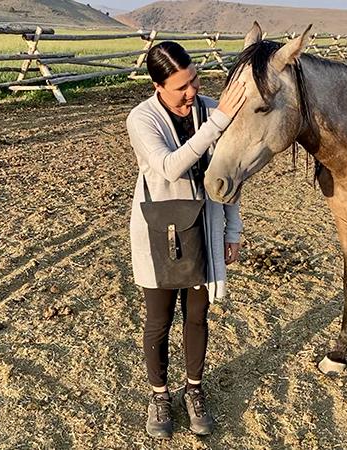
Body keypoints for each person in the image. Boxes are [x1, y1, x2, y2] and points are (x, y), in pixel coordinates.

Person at [126, 41, 246, 439]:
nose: (192, 91)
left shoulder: (211, 109)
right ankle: (159, 395)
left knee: (197, 315)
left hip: (203, 228)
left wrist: (232, 231)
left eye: (194, 80)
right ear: (158, 86)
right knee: (158, 320)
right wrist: (218, 123)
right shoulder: (141, 119)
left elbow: (229, 179)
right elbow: (169, 166)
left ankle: (194, 389)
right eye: (181, 87)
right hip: (160, 230)